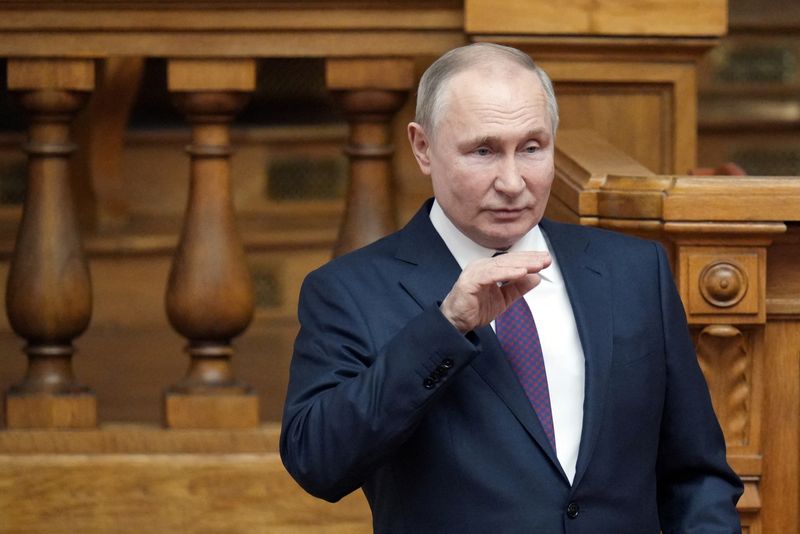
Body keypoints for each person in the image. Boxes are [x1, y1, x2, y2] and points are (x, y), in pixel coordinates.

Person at [280, 42, 743, 533]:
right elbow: (318, 462)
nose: (512, 181)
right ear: (423, 148)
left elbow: (697, 474)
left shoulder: (633, 270)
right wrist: (446, 326)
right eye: (483, 150)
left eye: (531, 148)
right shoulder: (350, 290)